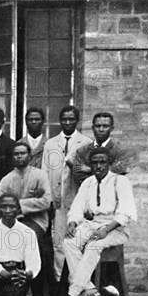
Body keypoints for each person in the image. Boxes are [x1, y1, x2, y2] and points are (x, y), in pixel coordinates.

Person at [61, 148, 137, 296]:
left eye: (102, 162)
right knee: (69, 243)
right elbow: (77, 206)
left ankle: (72, 294)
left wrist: (106, 230)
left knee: (93, 246)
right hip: (93, 224)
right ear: (90, 165)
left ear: (109, 163)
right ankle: (89, 289)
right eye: (95, 163)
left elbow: (125, 212)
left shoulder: (120, 181)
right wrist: (72, 223)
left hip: (115, 228)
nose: (99, 166)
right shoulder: (88, 183)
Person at [42, 105, 92, 281]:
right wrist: (49, 199)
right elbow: (45, 173)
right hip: (58, 202)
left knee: (77, 244)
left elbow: (89, 176)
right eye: (64, 119)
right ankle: (58, 287)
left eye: (71, 119)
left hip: (77, 202)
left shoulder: (86, 143)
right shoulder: (51, 144)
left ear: (76, 121)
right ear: (60, 121)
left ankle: (76, 284)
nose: (68, 122)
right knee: (58, 244)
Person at [0, 142, 53, 296]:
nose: (20, 156)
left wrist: (19, 204)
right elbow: (2, 205)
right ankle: (13, 290)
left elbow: (46, 201)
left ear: (29, 156)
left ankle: (36, 289)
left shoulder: (40, 175)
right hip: (13, 220)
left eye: (23, 153)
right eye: (16, 154)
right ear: (12, 157)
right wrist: (26, 204)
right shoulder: (6, 180)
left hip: (37, 221)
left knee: (32, 239)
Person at [72, 112, 131, 186]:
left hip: (111, 193)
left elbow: (120, 172)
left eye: (105, 126)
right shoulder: (83, 151)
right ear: (93, 128)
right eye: (98, 126)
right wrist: (108, 170)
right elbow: (78, 174)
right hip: (89, 193)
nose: (101, 129)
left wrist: (90, 169)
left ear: (111, 128)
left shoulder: (120, 151)